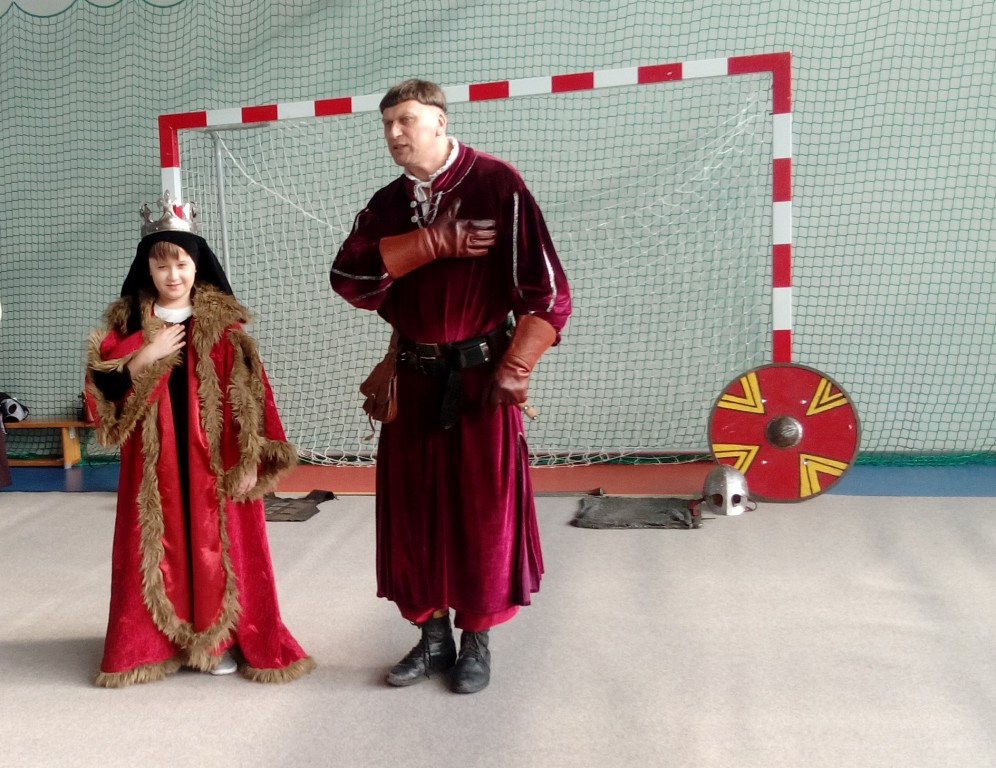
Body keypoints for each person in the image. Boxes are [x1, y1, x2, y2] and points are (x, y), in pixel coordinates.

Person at [330, 79, 572, 694]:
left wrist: (517, 367)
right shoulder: (388, 203)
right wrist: (430, 243)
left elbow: (548, 292)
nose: (394, 133)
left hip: (482, 383)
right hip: (412, 382)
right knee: (415, 516)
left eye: (406, 120)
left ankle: (477, 642)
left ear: (439, 121)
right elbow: (348, 277)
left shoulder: (497, 183)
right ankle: (432, 639)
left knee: (482, 516)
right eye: (387, 124)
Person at [85, 193, 315, 687]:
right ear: (147, 269)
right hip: (155, 465)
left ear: (197, 266)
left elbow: (252, 395)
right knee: (155, 549)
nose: (172, 275)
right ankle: (154, 642)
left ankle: (217, 640)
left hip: (214, 460)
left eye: (181, 264)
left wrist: (251, 458)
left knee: (217, 548)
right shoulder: (128, 327)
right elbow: (101, 394)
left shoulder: (222, 327)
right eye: (161, 265)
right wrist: (144, 358)